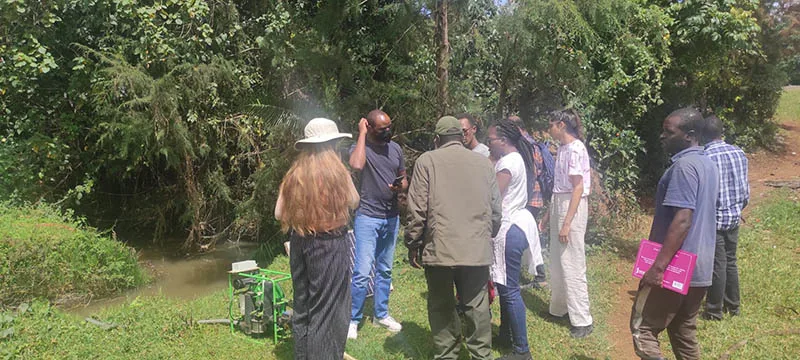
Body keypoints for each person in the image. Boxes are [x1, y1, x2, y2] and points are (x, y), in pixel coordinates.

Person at [405, 116, 502, 360]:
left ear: (437, 139)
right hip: (475, 248)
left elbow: (417, 208)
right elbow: (496, 209)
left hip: (440, 248)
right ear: (462, 136)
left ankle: (447, 354)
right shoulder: (483, 163)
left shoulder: (427, 161)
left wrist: (413, 242)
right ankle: (481, 354)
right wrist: (488, 233)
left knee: (441, 305)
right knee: (476, 306)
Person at [629, 107, 718, 360]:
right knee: (682, 331)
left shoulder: (683, 167)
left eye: (669, 132)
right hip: (700, 269)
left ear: (689, 135)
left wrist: (658, 268)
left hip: (675, 267)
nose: (662, 136)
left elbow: (682, 220)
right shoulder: (708, 165)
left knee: (643, 329)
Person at [274, 118, 358, 360]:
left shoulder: (294, 175)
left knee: (303, 307)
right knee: (327, 310)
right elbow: (354, 201)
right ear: (331, 144)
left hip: (300, 242)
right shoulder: (337, 173)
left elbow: (279, 213)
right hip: (330, 245)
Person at [486, 119, 543, 360]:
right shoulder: (517, 157)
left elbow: (494, 198)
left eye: (490, 140)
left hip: (508, 228)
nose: (488, 144)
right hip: (519, 225)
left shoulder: (507, 162)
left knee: (508, 290)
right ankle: (505, 336)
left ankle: (522, 352)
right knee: (505, 285)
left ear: (503, 140)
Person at [348, 109, 407, 339]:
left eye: (389, 127)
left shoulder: (396, 149)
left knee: (385, 269)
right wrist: (361, 134)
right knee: (362, 272)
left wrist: (399, 186)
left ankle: (381, 314)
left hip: (391, 217)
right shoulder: (360, 148)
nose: (388, 132)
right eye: (382, 129)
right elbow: (356, 165)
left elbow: (404, 179)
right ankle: (353, 319)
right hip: (367, 217)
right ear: (369, 127)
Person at [543, 109, 593, 339]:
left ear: (561, 125)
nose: (549, 129)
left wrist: (566, 223)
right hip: (559, 202)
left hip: (571, 205)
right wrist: (548, 215)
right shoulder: (562, 149)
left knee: (572, 261)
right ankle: (560, 308)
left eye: (551, 124)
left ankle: (582, 319)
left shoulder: (575, 149)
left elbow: (578, 188)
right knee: (557, 259)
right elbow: (559, 188)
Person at [701, 115, 750, 321]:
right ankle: (734, 306)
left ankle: (714, 310)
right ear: (722, 132)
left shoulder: (706, 157)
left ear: (703, 134)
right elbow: (744, 189)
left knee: (717, 264)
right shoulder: (739, 153)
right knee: (731, 261)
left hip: (716, 219)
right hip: (734, 216)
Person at [508, 115, 548, 288]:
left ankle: (539, 275)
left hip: (528, 196)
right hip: (534, 196)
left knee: (525, 236)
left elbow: (531, 172)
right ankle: (536, 274)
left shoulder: (524, 144)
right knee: (529, 235)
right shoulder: (532, 142)